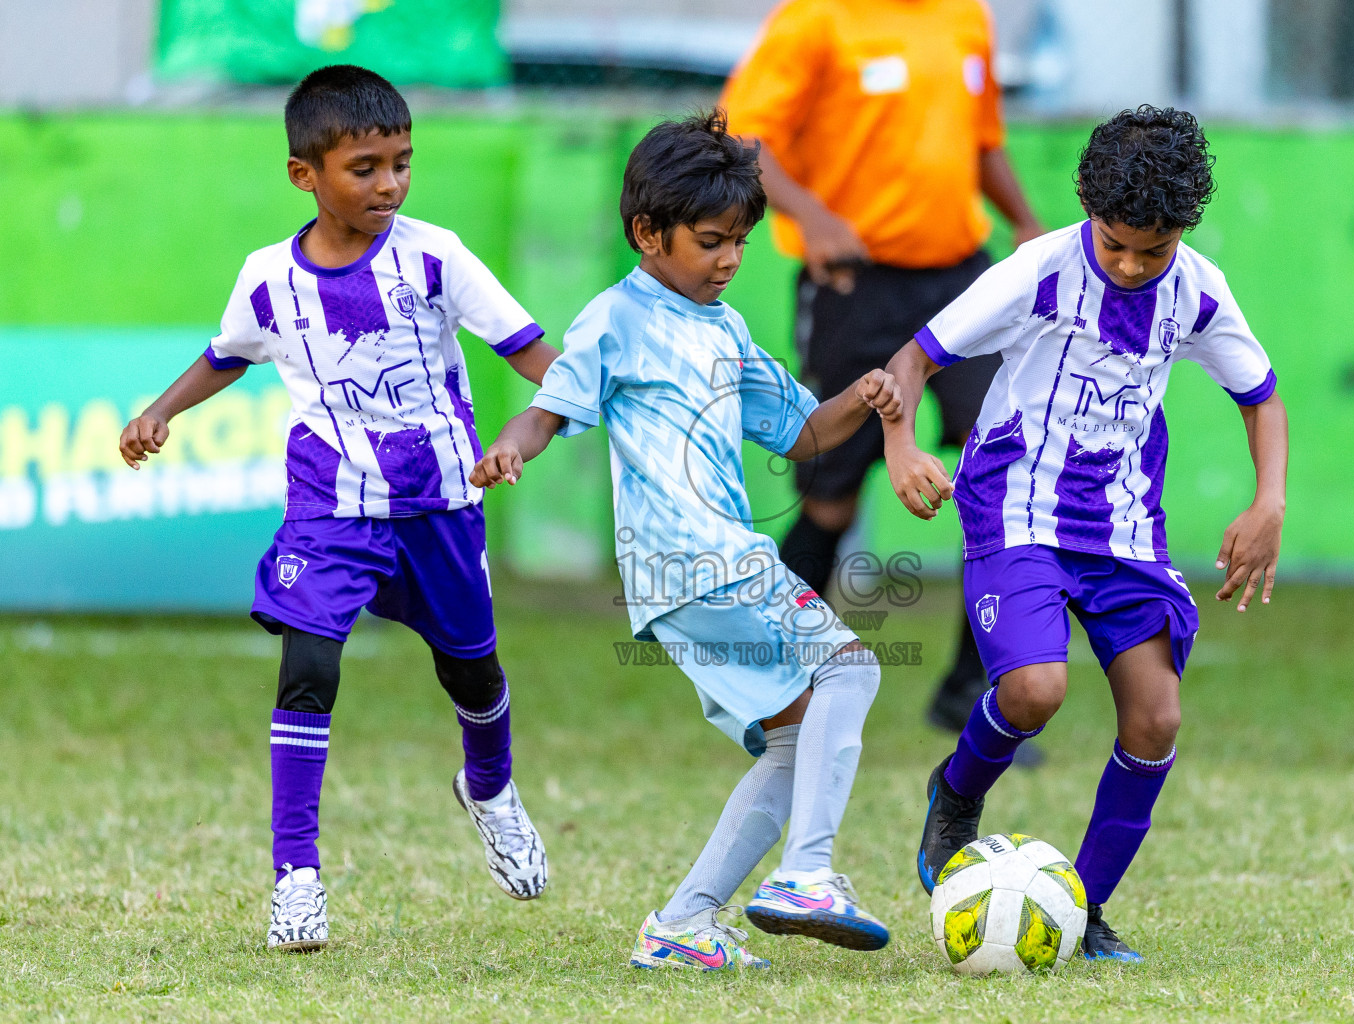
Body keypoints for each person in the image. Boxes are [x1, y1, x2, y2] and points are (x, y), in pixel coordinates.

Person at [117, 65, 558, 952]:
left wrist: (530, 433)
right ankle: (296, 878)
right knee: (309, 665)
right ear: (304, 174)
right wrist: (161, 410)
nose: (390, 184)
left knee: (472, 673)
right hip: (330, 506)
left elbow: (538, 357)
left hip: (439, 500)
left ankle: (489, 789)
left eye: (402, 163)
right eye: (366, 168)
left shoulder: (435, 257)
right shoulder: (267, 277)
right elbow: (228, 353)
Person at [471, 110, 898, 970]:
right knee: (851, 670)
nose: (730, 259)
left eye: (740, 241)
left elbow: (803, 434)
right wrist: (511, 448)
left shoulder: (726, 327)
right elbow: (547, 410)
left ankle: (683, 924)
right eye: (711, 241)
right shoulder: (614, 319)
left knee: (794, 737)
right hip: (699, 557)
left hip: (695, 572)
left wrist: (864, 395)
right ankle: (807, 874)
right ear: (647, 233)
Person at [881, 106, 1289, 962]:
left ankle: (1083, 909)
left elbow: (1260, 398)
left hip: (1123, 529)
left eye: (1154, 249)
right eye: (1116, 245)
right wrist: (904, 444)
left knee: (1157, 719)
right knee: (1035, 691)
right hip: (1015, 507)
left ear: (1183, 230)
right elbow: (916, 358)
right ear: (1087, 210)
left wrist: (1269, 503)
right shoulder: (1038, 271)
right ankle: (956, 792)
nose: (1133, 265)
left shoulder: (1199, 289)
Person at [719, 0, 1050, 745]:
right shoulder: (816, 20)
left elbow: (981, 141)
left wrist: (1026, 223)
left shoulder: (965, 17)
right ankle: (772, 684)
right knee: (830, 497)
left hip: (961, 283)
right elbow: (741, 137)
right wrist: (814, 217)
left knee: (1005, 479)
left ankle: (975, 694)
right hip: (855, 283)